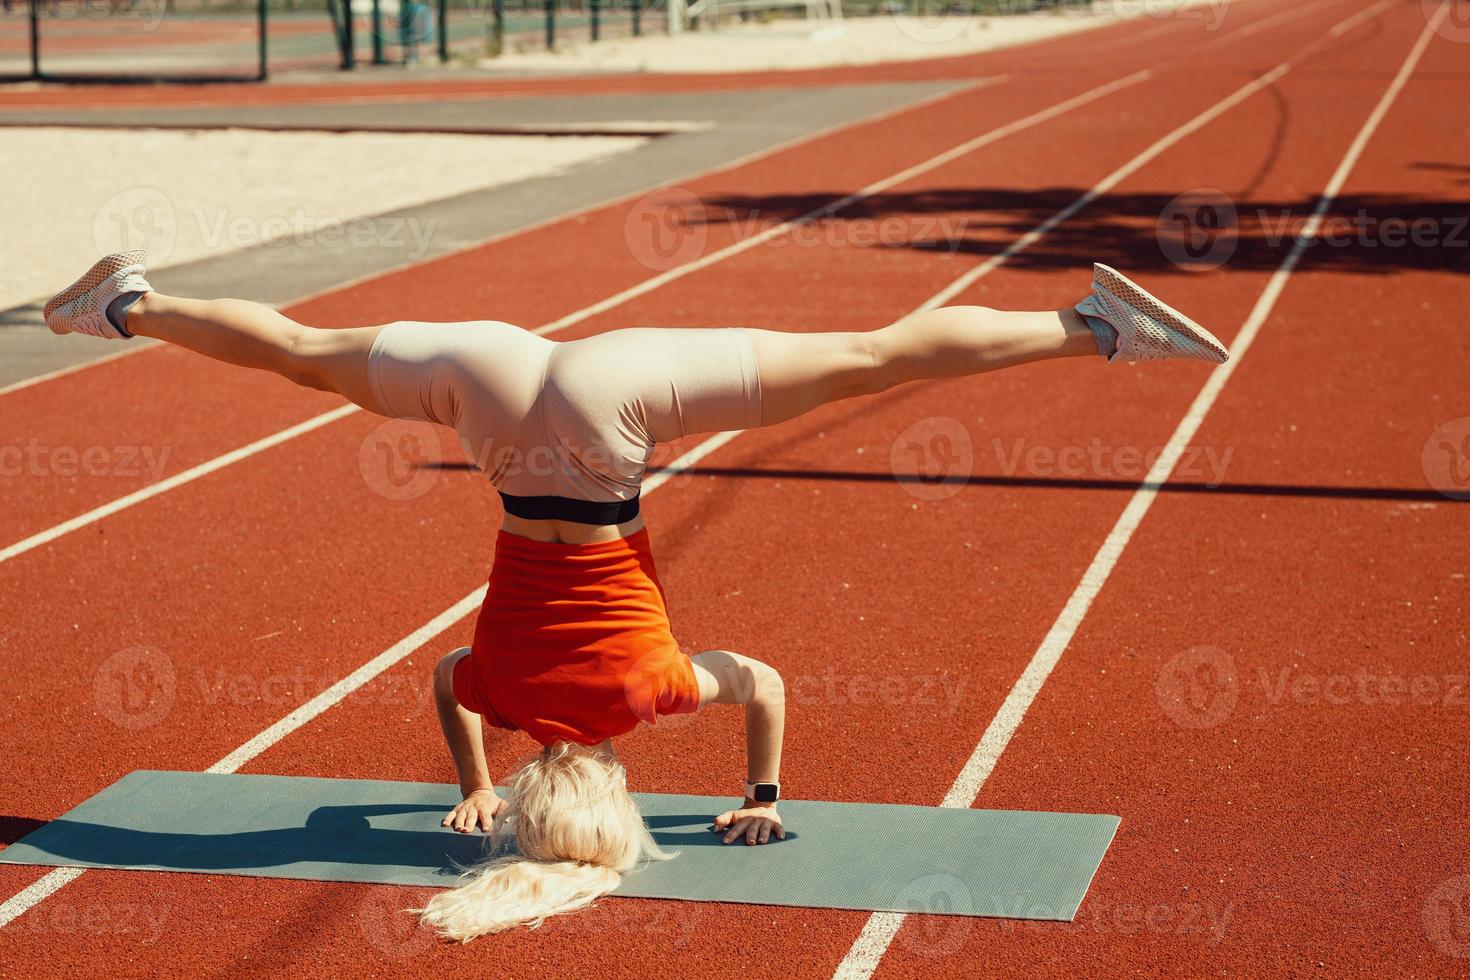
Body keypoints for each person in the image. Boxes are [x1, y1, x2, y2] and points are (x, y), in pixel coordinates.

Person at [44, 249, 1227, 940]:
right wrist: (466, 787)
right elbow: (447, 681)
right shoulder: (501, 696)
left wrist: (762, 795)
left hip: (613, 429)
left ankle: (1095, 328)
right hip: (502, 406)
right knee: (306, 348)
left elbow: (763, 681)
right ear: (526, 790)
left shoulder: (651, 691)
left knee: (872, 358)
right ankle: (126, 304)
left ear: (613, 792)